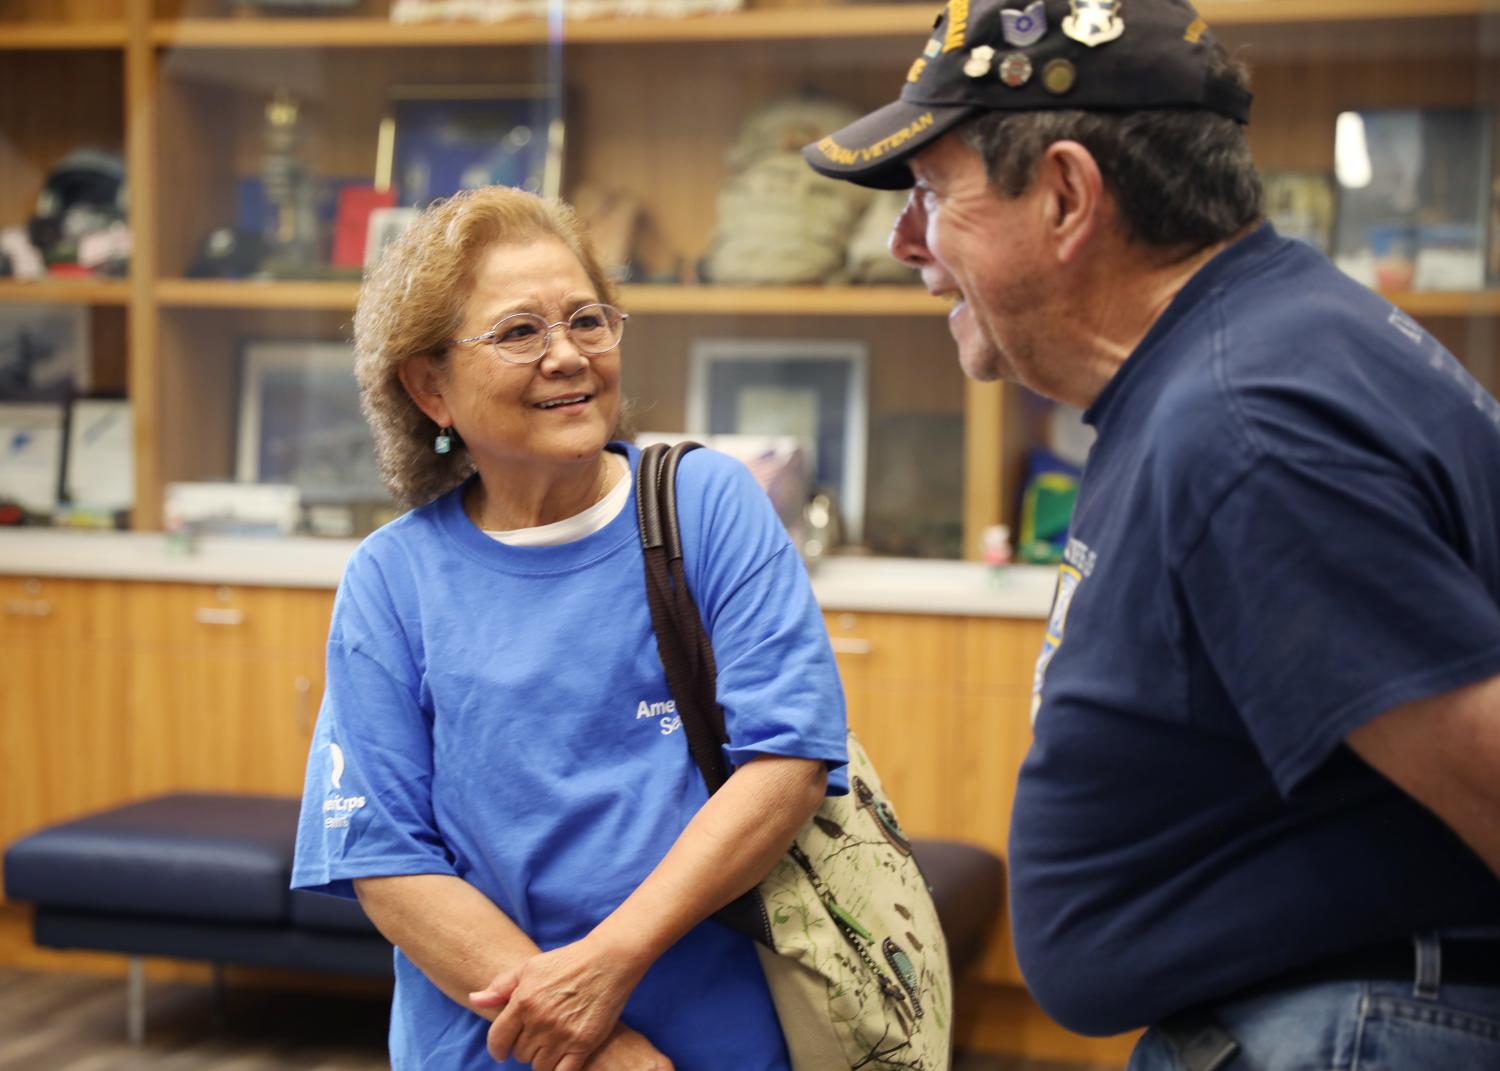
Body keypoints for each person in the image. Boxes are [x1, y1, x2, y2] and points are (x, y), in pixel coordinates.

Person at [803, 0, 1500, 1067]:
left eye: (935, 193)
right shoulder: (1245, 357)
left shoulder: (1247, 428)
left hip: (1347, 1030)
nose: (905, 241)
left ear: (1068, 197)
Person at [291, 185, 850, 1071]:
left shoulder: (703, 506)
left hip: (710, 1037)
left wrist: (609, 965)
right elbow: (384, 853)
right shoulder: (391, 578)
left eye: (588, 320)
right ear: (429, 385)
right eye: (520, 332)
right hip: (490, 1046)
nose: (567, 357)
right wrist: (595, 1045)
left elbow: (788, 760)